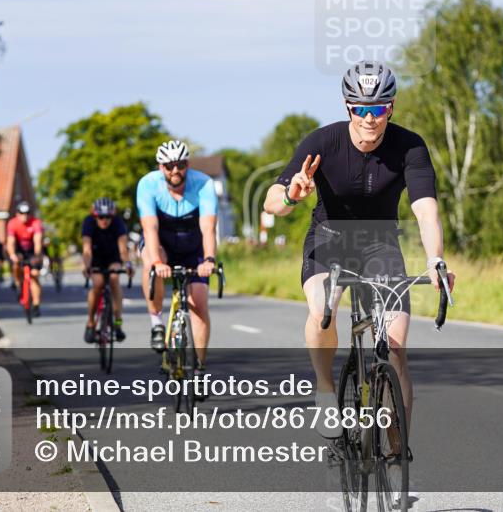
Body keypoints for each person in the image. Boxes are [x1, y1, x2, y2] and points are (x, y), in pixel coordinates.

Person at [263, 60, 455, 439]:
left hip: (380, 243)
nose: (370, 118)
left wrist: (435, 259)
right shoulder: (323, 142)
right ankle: (324, 388)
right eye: (361, 109)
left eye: (379, 108)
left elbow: (425, 209)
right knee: (323, 308)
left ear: (392, 107)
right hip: (328, 240)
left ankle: (397, 454)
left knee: (396, 347)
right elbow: (271, 202)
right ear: (348, 107)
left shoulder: (410, 147)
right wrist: (291, 194)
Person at [137, 140, 218, 372]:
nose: (175, 171)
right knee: (149, 262)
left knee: (199, 303)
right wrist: (157, 262)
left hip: (193, 246)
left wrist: (210, 260)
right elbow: (150, 229)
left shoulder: (203, 184)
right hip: (161, 244)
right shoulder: (148, 185)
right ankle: (157, 323)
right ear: (160, 167)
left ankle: (200, 368)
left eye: (180, 165)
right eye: (169, 165)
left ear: (187, 165)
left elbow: (208, 229)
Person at [81, 197, 130, 343]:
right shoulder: (88, 223)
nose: (104, 220)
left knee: (114, 278)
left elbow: (123, 249)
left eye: (108, 217)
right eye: (101, 217)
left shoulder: (118, 224)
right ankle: (90, 322)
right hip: (95, 257)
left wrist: (127, 264)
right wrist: (87, 266)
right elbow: (87, 249)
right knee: (98, 283)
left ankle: (118, 322)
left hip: (113, 257)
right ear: (95, 216)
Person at [6, 201, 45, 316]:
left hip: (32, 251)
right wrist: (12, 254)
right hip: (19, 250)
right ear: (17, 214)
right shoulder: (12, 223)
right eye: (22, 213)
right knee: (16, 263)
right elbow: (11, 242)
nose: (25, 216)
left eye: (27, 213)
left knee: (34, 275)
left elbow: (38, 240)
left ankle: (36, 305)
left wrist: (37, 255)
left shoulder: (36, 222)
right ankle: (18, 283)